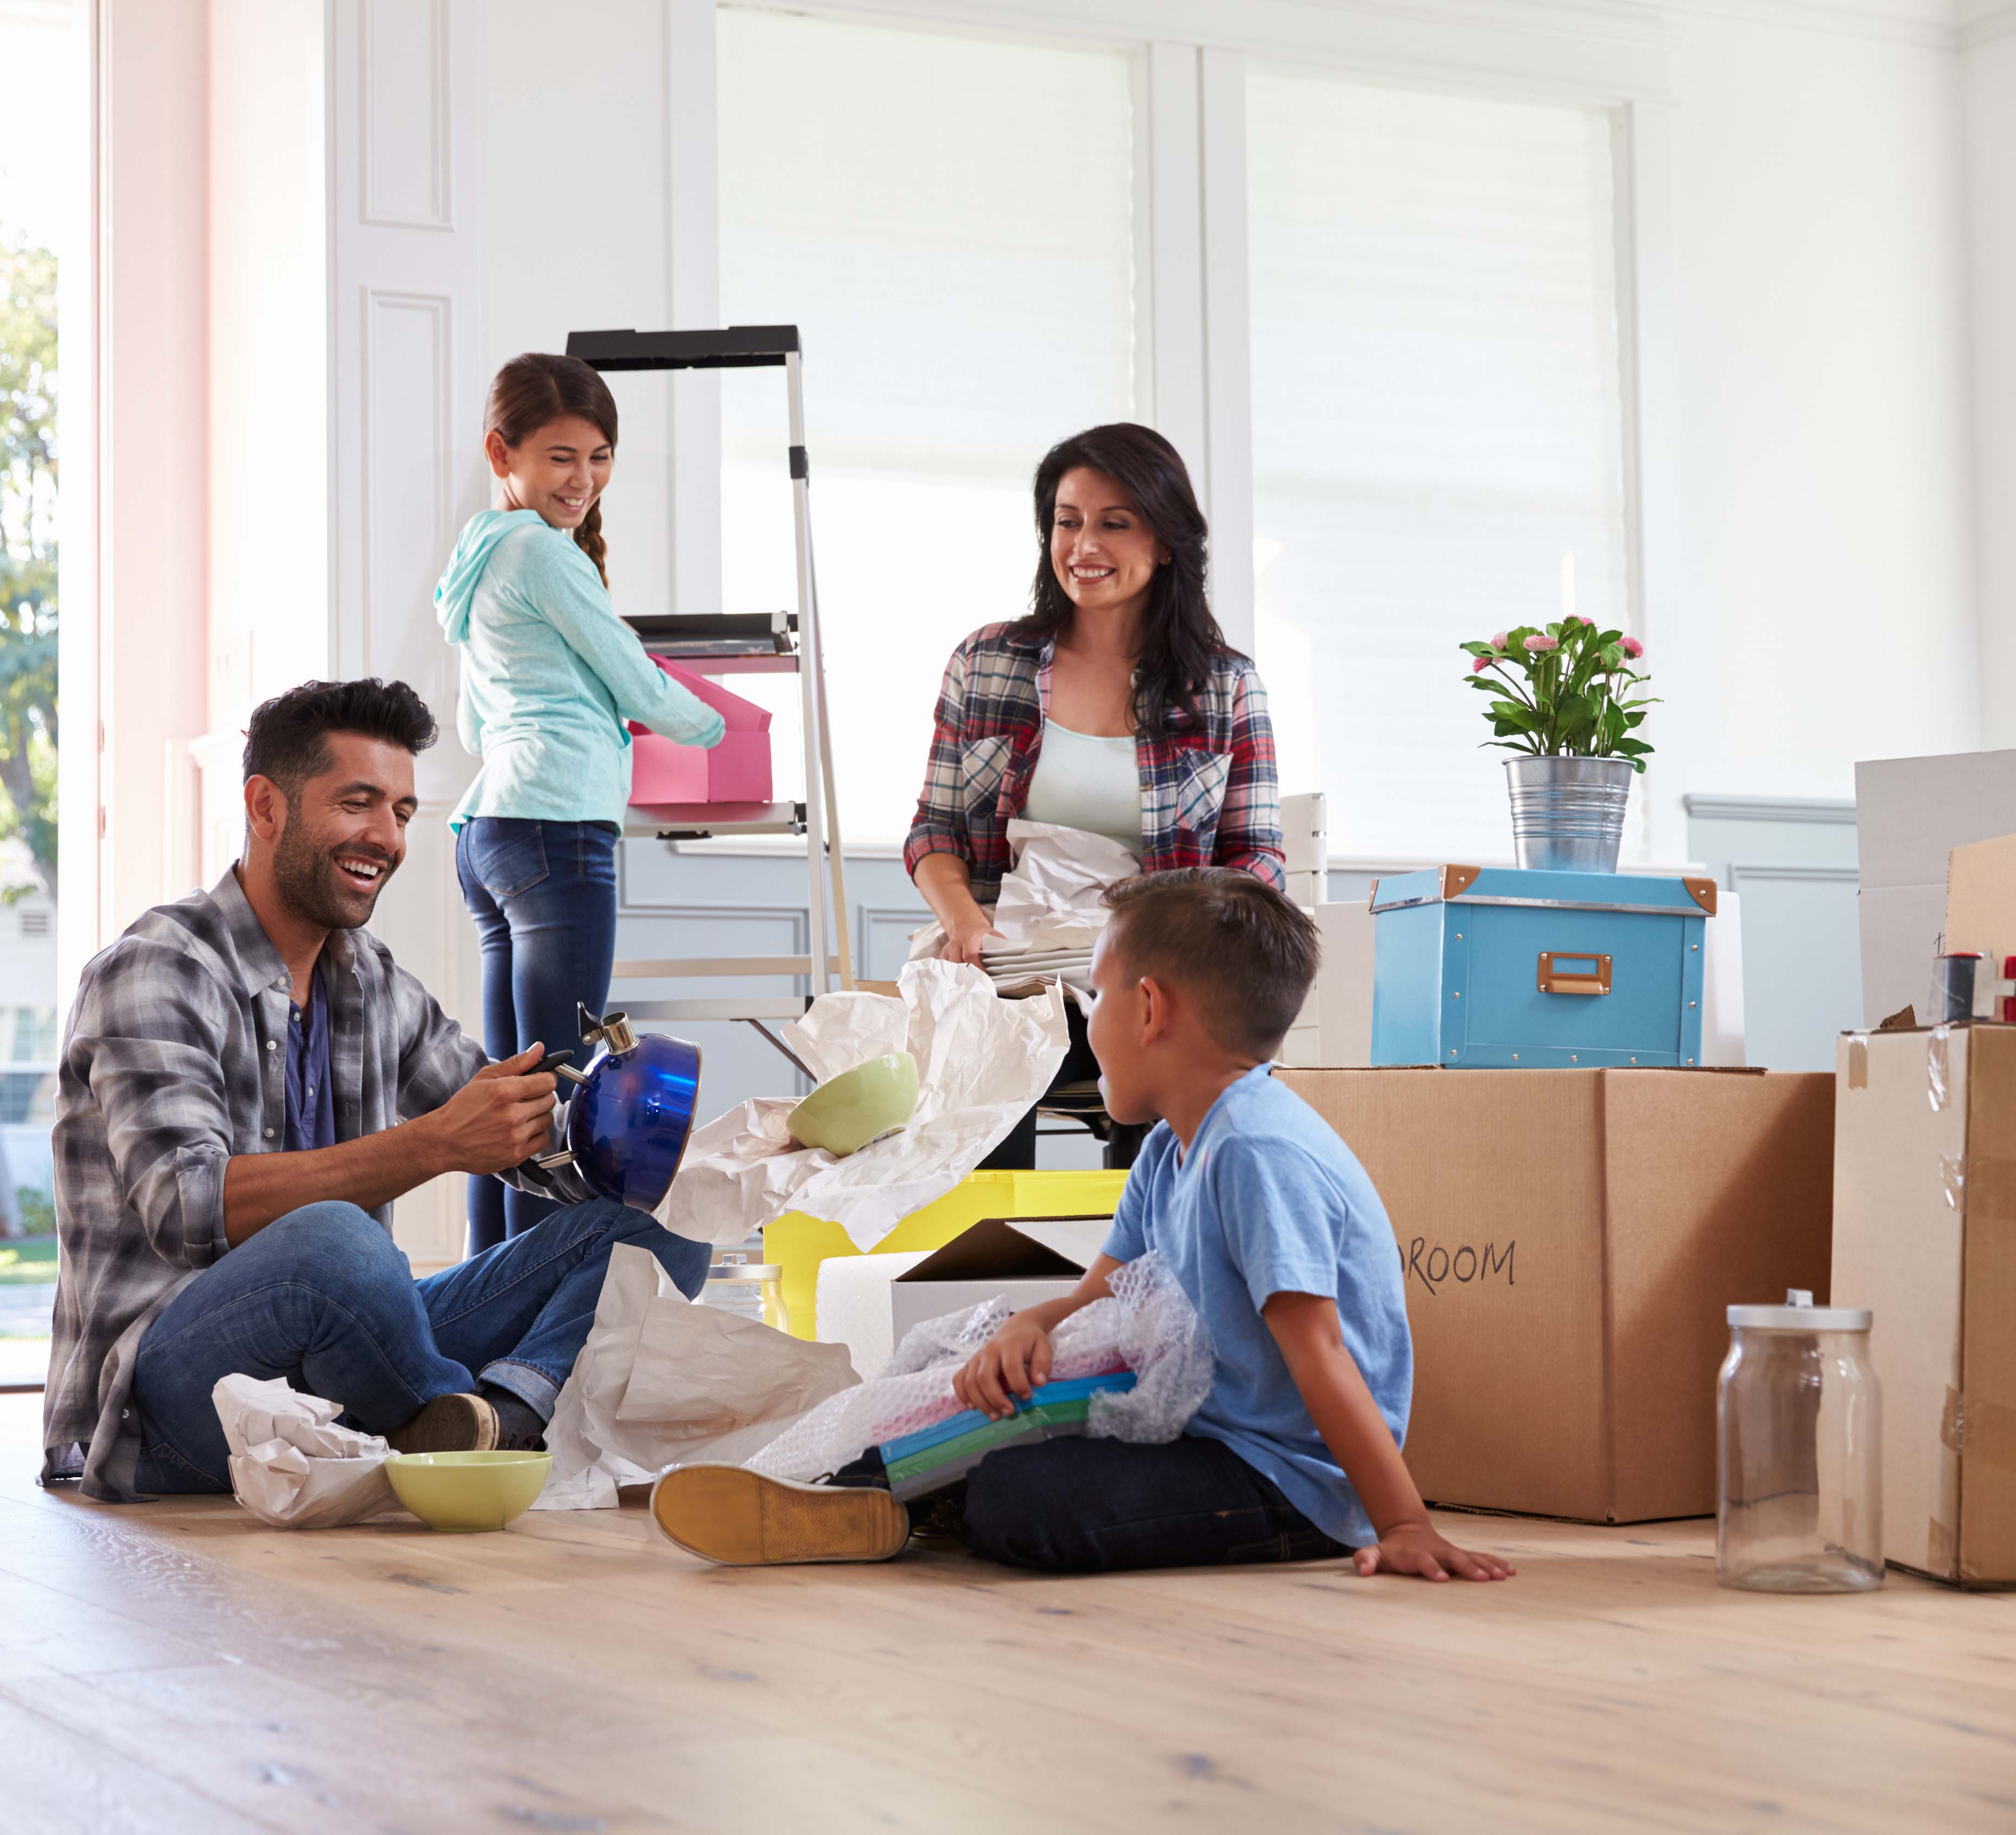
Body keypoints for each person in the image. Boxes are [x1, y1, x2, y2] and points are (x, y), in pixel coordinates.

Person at [648, 868, 1513, 1583]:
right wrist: (1029, 1326)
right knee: (981, 1401)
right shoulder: (1174, 1150)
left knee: (1023, 1500)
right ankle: (849, 1490)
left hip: (1287, 1482)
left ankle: (874, 1500)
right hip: (1204, 1433)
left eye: (1091, 995)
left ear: (1147, 1009)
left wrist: (1400, 1522)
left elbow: (1319, 1350)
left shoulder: (1255, 1151)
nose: (1083, 1020)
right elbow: (1097, 1295)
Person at [40, 677, 708, 1503]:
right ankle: (439, 1413)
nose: (385, 837)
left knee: (665, 1225)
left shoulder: (370, 980)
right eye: (358, 804)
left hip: (337, 1369)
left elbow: (504, 1124)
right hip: (168, 1404)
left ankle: (489, 1420)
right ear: (265, 807)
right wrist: (434, 1145)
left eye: (401, 813)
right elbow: (186, 1207)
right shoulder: (158, 968)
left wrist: (631, 1135)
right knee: (334, 1243)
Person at [903, 423, 1283, 1170]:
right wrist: (965, 924)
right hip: (1004, 968)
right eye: (1068, 522)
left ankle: (1147, 1265)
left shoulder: (1225, 686)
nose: (1084, 546)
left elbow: (1256, 862)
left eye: (1115, 524)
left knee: (1163, 1039)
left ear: (1167, 541)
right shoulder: (987, 663)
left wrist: (1162, 937)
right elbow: (934, 831)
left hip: (1151, 977)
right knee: (975, 1039)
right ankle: (980, 1263)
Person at [437, 352, 725, 1256]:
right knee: (561, 1091)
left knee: (512, 1096)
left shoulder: (481, 555)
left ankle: (480, 1304)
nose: (583, 480)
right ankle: (534, 1322)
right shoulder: (542, 553)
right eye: (561, 457)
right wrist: (715, 724)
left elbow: (474, 723)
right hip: (555, 831)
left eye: (599, 457)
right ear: (503, 452)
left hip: (493, 831)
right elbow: (636, 679)